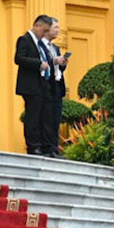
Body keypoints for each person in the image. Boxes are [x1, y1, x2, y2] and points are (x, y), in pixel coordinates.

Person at [14, 15, 58, 157]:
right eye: (44, 31)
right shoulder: (24, 40)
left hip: (42, 84)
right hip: (30, 85)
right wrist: (38, 64)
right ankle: (33, 146)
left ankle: (47, 146)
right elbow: (18, 58)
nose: (44, 34)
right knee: (32, 116)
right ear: (37, 26)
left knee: (45, 115)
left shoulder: (40, 45)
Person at [45, 22, 72, 154]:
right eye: (55, 28)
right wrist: (53, 61)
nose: (58, 31)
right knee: (47, 119)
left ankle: (55, 148)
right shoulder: (40, 46)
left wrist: (63, 64)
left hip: (57, 86)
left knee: (56, 118)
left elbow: (59, 69)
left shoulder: (55, 48)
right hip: (46, 86)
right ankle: (47, 147)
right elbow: (41, 64)